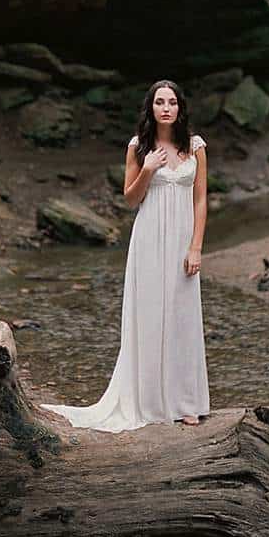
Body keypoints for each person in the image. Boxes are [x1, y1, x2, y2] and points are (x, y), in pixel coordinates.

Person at [41, 79, 210, 432]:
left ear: (180, 107)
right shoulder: (138, 147)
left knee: (182, 317)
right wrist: (148, 169)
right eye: (160, 102)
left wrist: (196, 246)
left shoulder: (195, 146)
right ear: (151, 107)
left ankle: (185, 403)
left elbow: (200, 199)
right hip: (148, 239)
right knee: (149, 315)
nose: (166, 108)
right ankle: (150, 403)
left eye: (173, 102)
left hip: (181, 240)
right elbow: (131, 199)